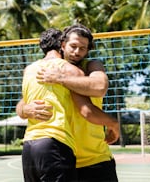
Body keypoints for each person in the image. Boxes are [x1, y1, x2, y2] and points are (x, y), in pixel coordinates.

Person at [17, 28, 119, 182]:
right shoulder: (46, 69)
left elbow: (99, 87)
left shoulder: (89, 66)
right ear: (62, 45)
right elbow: (22, 103)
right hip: (64, 156)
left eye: (83, 48)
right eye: (73, 46)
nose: (77, 52)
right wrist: (25, 109)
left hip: (94, 158)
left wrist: (61, 78)